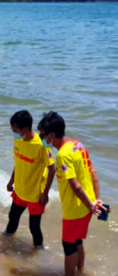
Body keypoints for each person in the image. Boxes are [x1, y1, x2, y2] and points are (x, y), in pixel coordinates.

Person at [38, 111, 107, 276]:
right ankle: (80, 270)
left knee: (68, 246)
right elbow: (93, 172)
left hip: (76, 208)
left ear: (51, 135)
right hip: (87, 205)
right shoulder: (78, 145)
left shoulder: (63, 155)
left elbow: (75, 186)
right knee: (77, 241)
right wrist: (96, 199)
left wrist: (91, 205)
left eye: (42, 135)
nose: (41, 138)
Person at [4, 110, 56, 249]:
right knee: (12, 217)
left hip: (36, 194)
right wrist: (11, 181)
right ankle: (5, 244)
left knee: (34, 227)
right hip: (20, 188)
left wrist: (45, 194)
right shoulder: (18, 139)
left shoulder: (41, 145)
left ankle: (39, 253)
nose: (13, 132)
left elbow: (52, 169)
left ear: (25, 129)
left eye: (15, 130)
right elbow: (18, 160)